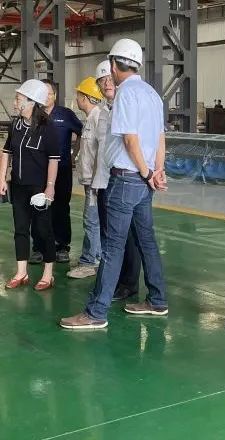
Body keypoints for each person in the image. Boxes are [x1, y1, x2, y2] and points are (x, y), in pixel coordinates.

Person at [60, 38, 168, 329]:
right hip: (143, 183)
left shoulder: (125, 95)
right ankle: (157, 300)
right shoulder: (152, 94)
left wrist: (146, 172)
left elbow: (130, 140)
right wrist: (156, 171)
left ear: (112, 64)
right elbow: (160, 137)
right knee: (147, 241)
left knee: (112, 247)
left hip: (127, 179)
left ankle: (96, 313)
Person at [0, 79, 60, 291]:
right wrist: (2, 178)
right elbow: (6, 152)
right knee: (20, 229)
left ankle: (48, 274)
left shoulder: (48, 127)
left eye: (18, 99)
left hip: (39, 189)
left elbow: (53, 159)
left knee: (43, 230)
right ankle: (21, 272)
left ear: (31, 102)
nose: (15, 102)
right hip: (18, 186)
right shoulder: (16, 125)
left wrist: (50, 186)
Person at [92, 59, 142, 300]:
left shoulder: (129, 104)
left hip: (125, 180)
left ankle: (128, 283)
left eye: (109, 79)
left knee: (128, 237)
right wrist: (92, 182)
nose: (106, 84)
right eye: (101, 81)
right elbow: (96, 150)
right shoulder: (99, 113)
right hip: (104, 181)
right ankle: (112, 281)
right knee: (108, 236)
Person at [29, 79, 83, 264]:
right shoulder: (33, 114)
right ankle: (39, 247)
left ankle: (62, 246)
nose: (46, 97)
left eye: (49, 93)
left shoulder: (65, 115)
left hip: (62, 169)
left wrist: (74, 155)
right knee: (38, 206)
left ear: (55, 95)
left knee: (61, 207)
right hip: (38, 170)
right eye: (42, 93)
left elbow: (82, 133)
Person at [66, 77, 105, 279]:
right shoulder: (89, 120)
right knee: (93, 220)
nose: (77, 98)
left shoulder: (98, 119)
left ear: (86, 97)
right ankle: (95, 257)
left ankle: (90, 262)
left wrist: (97, 182)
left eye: (79, 95)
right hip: (89, 181)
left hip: (95, 183)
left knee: (91, 221)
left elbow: (102, 153)